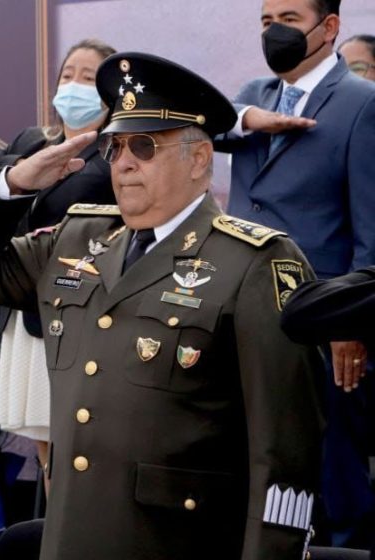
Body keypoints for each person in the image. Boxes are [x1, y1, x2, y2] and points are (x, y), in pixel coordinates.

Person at [0, 52, 324, 559]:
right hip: (73, 535)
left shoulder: (255, 262)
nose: (122, 163)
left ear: (199, 159)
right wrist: (13, 184)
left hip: (180, 543)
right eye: (114, 146)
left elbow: (283, 449)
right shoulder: (78, 238)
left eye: (144, 146)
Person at [214, 0, 375, 544]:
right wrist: (248, 119)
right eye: (266, 22)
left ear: (328, 27)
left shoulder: (362, 103)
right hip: (242, 314)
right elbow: (202, 124)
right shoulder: (252, 96)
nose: (274, 32)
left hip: (322, 328)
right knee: (254, 466)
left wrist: (350, 321)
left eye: (288, 19)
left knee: (334, 478)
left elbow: (371, 228)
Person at [0, 39, 116, 479]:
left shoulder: (118, 152)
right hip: (25, 309)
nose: (74, 85)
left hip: (81, 313)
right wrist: (34, 163)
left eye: (88, 77)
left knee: (80, 441)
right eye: (68, 75)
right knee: (44, 442)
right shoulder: (32, 141)